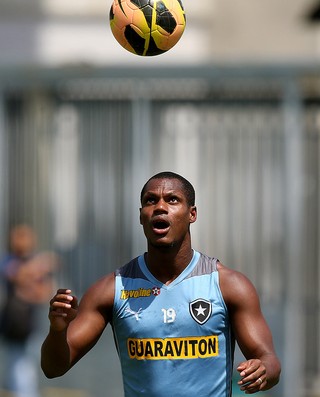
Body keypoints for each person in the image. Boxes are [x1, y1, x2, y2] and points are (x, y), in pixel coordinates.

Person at [41, 171, 281, 396]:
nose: (160, 207)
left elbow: (269, 360)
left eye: (172, 200)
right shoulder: (113, 289)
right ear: (141, 216)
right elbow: (53, 368)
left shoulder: (227, 284)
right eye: (150, 201)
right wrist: (57, 330)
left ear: (192, 214)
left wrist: (262, 371)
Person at [0, 224, 59, 397]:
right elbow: (16, 274)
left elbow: (45, 292)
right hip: (14, 325)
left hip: (32, 325)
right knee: (18, 367)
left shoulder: (34, 263)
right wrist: (39, 266)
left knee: (27, 367)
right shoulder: (9, 261)